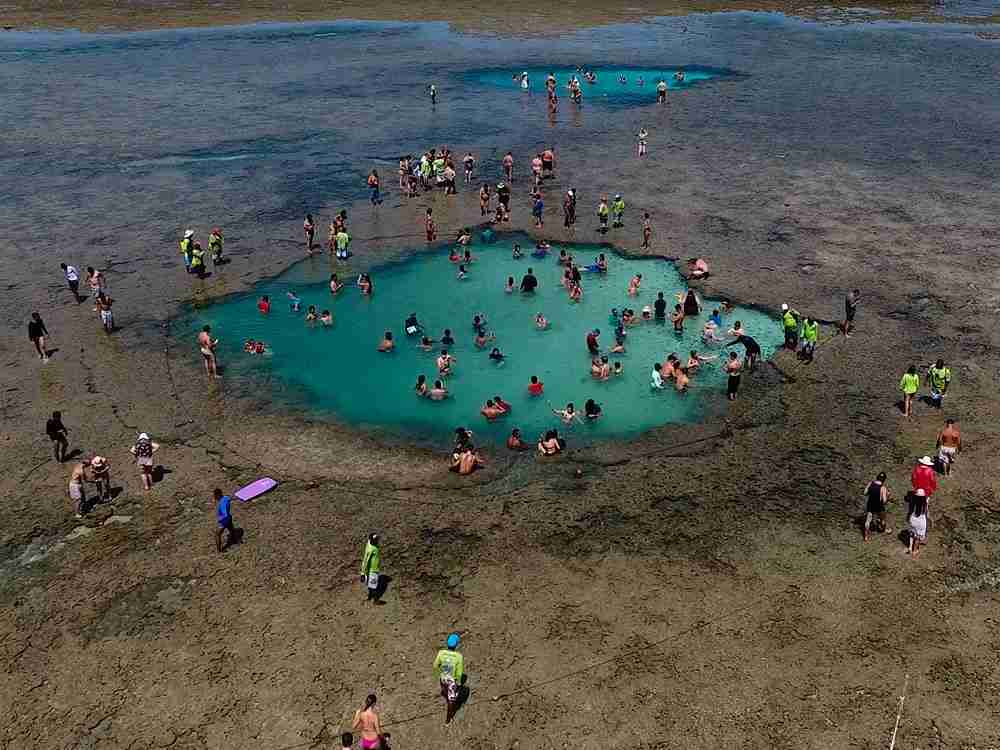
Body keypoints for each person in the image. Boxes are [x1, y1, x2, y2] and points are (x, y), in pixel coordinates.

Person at [434, 634, 465, 724]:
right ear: (456, 645)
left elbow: (435, 665)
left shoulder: (441, 653)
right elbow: (459, 673)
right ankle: (448, 719)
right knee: (451, 701)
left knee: (444, 689)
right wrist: (458, 683)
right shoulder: (459, 657)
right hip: (452, 680)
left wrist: (439, 674)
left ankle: (445, 693)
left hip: (443, 678)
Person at [863, 472, 890, 541]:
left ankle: (866, 536)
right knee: (883, 518)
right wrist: (888, 495)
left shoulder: (870, 483)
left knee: (868, 520)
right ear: (884, 480)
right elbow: (884, 501)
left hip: (870, 504)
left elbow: (865, 493)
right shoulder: (883, 488)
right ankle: (883, 529)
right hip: (879, 506)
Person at [215, 488, 239, 552]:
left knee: (217, 534)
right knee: (231, 530)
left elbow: (224, 513)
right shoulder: (226, 498)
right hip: (229, 518)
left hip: (224, 520)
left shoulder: (222, 503)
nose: (214, 497)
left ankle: (219, 550)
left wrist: (220, 519)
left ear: (218, 495)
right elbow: (230, 498)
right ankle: (235, 540)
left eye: (215, 496)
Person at [360, 534, 382, 603]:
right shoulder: (371, 549)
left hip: (374, 568)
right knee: (374, 585)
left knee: (371, 584)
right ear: (371, 540)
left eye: (377, 539)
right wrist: (362, 573)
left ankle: (369, 597)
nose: (377, 541)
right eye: (375, 540)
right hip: (373, 570)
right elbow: (365, 560)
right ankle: (375, 600)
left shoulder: (370, 543)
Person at [907, 490, 928, 557]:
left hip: (913, 519)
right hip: (921, 521)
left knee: (912, 533)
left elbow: (910, 511)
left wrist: (908, 518)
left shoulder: (912, 502)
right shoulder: (925, 503)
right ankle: (915, 550)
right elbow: (926, 512)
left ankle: (910, 547)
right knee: (918, 537)